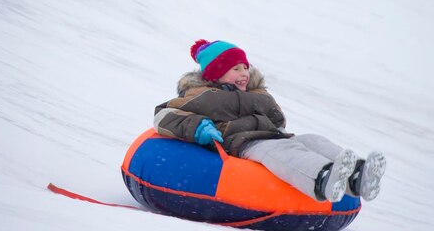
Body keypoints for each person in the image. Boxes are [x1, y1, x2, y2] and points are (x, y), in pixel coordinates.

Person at [154, 39, 387, 203]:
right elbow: (163, 115)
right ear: (215, 74)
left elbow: (278, 120)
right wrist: (198, 127)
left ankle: (357, 176)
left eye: (246, 67)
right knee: (282, 151)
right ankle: (322, 178)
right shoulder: (203, 96)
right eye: (235, 68)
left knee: (312, 140)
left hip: (274, 135)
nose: (244, 73)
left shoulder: (257, 93)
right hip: (243, 143)